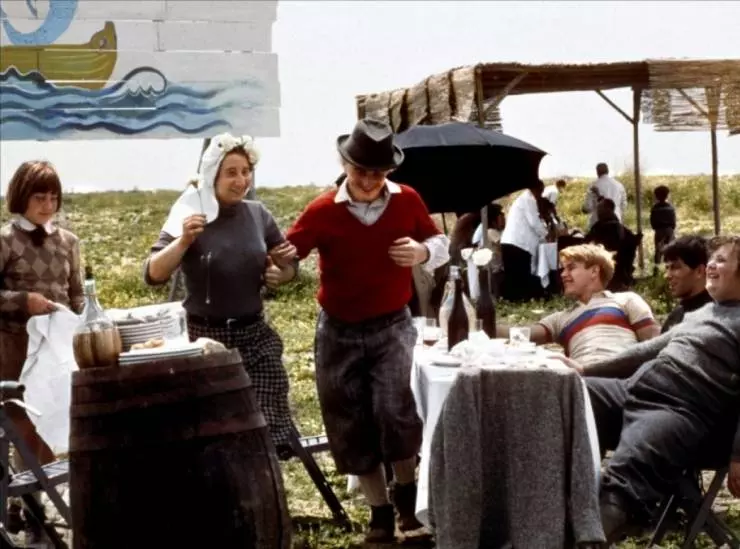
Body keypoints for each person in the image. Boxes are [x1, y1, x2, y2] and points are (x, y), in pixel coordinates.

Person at [285, 118, 450, 543]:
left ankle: (407, 504)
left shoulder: (408, 200)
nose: (369, 180)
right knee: (349, 420)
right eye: (361, 170)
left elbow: (439, 244)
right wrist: (277, 269)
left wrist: (421, 251)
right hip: (337, 330)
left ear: (389, 170)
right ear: (344, 164)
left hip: (392, 324)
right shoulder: (322, 210)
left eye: (378, 172)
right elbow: (288, 255)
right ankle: (379, 515)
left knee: (396, 411)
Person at [577, 235, 740, 545]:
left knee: (625, 477)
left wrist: (738, 455)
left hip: (681, 409)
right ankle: (548, 502)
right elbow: (647, 350)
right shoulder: (703, 313)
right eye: (711, 259)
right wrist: (583, 370)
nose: (711, 265)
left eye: (721, 260)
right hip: (632, 390)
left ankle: (587, 537)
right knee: (572, 396)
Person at [143, 133, 298, 456]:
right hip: (204, 338)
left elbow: (288, 264)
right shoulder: (190, 214)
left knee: (266, 425)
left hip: (254, 335)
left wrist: (281, 272)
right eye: (231, 173)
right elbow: (154, 274)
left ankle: (265, 476)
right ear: (212, 175)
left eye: (246, 171)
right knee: (216, 430)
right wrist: (183, 241)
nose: (241, 181)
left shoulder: (258, 214)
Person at [0, 160, 85, 545]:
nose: (47, 206)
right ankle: (31, 512)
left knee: (50, 428)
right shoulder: (6, 241)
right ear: (22, 197)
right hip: (15, 350)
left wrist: (83, 320)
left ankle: (33, 508)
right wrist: (23, 301)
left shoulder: (69, 242)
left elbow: (77, 295)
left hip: (56, 352)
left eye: (53, 198)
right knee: (24, 432)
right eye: (39, 197)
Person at [495, 243, 660, 370]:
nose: (563, 274)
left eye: (571, 268)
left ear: (594, 271)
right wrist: (483, 324)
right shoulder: (561, 318)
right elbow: (519, 335)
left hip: (624, 377)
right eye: (563, 269)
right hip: (583, 383)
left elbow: (655, 346)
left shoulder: (626, 300)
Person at [500, 179, 550, 302]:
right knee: (519, 273)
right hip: (518, 242)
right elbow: (534, 223)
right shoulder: (528, 199)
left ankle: (515, 299)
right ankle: (519, 298)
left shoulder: (524, 199)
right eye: (540, 191)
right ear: (535, 189)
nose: (540, 195)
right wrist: (546, 234)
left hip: (514, 241)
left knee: (516, 273)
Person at [660, 235, 711, 333]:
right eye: (667, 268)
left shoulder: (717, 315)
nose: (667, 276)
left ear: (699, 271)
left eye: (675, 267)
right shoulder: (676, 316)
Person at [582, 163, 627, 229]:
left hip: (598, 223)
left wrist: (584, 209)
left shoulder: (593, 186)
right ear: (608, 171)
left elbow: (588, 207)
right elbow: (623, 205)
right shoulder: (619, 185)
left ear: (597, 172)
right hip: (616, 221)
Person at [649, 185, 676, 275]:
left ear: (656, 196)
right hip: (669, 230)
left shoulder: (655, 208)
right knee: (670, 250)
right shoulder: (670, 207)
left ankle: (656, 271)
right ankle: (670, 269)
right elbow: (673, 221)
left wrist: (655, 228)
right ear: (667, 195)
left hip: (659, 231)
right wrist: (671, 228)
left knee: (658, 251)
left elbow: (652, 221)